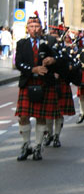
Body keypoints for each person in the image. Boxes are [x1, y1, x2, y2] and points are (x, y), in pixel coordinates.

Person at [15, 14, 61, 160]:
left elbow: (60, 57)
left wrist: (53, 59)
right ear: (27, 28)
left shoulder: (50, 41)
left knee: (41, 116)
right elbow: (18, 63)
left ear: (41, 28)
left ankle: (37, 147)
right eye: (31, 27)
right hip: (28, 82)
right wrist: (33, 69)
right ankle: (26, 145)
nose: (34, 29)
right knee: (23, 116)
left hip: (44, 83)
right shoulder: (21, 44)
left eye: (37, 26)